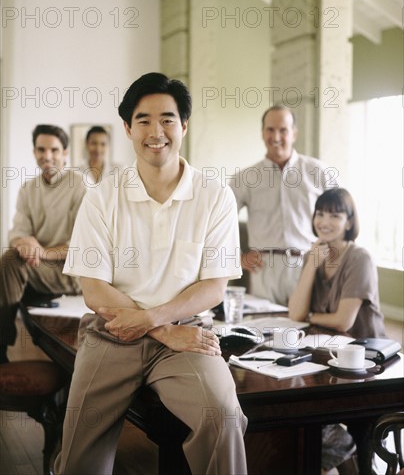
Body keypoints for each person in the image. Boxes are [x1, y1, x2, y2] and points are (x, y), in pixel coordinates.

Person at [54, 73, 248, 475]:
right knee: (78, 454)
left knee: (224, 417)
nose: (155, 131)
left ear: (184, 125)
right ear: (127, 128)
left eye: (167, 119)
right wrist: (159, 327)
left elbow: (214, 286)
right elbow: (93, 287)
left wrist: (156, 322)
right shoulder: (102, 196)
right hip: (111, 331)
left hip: (185, 334)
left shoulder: (215, 196)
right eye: (143, 120)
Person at [288, 187, 386, 475]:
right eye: (320, 213)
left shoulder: (359, 259)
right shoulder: (314, 254)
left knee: (317, 421)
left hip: (367, 366)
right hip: (329, 359)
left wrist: (311, 314)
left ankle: (349, 460)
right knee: (300, 413)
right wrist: (310, 267)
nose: (325, 221)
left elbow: (344, 321)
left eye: (335, 214)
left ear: (349, 221)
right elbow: (295, 314)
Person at [230, 104, 333, 305]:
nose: (276, 137)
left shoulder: (318, 172)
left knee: (306, 327)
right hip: (263, 268)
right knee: (263, 328)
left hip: (307, 263)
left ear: (294, 133)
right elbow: (219, 220)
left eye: (283, 130)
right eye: (270, 130)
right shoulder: (245, 177)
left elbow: (341, 214)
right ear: (262, 133)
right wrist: (238, 258)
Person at [0, 124, 86, 364]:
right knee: (10, 260)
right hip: (38, 267)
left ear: (65, 153)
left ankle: (1, 348)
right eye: (41, 149)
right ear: (34, 151)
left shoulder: (80, 185)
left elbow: (84, 246)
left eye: (54, 150)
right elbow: (16, 233)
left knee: (9, 262)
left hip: (70, 273)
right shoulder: (28, 189)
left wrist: (42, 252)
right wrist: (23, 241)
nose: (47, 156)